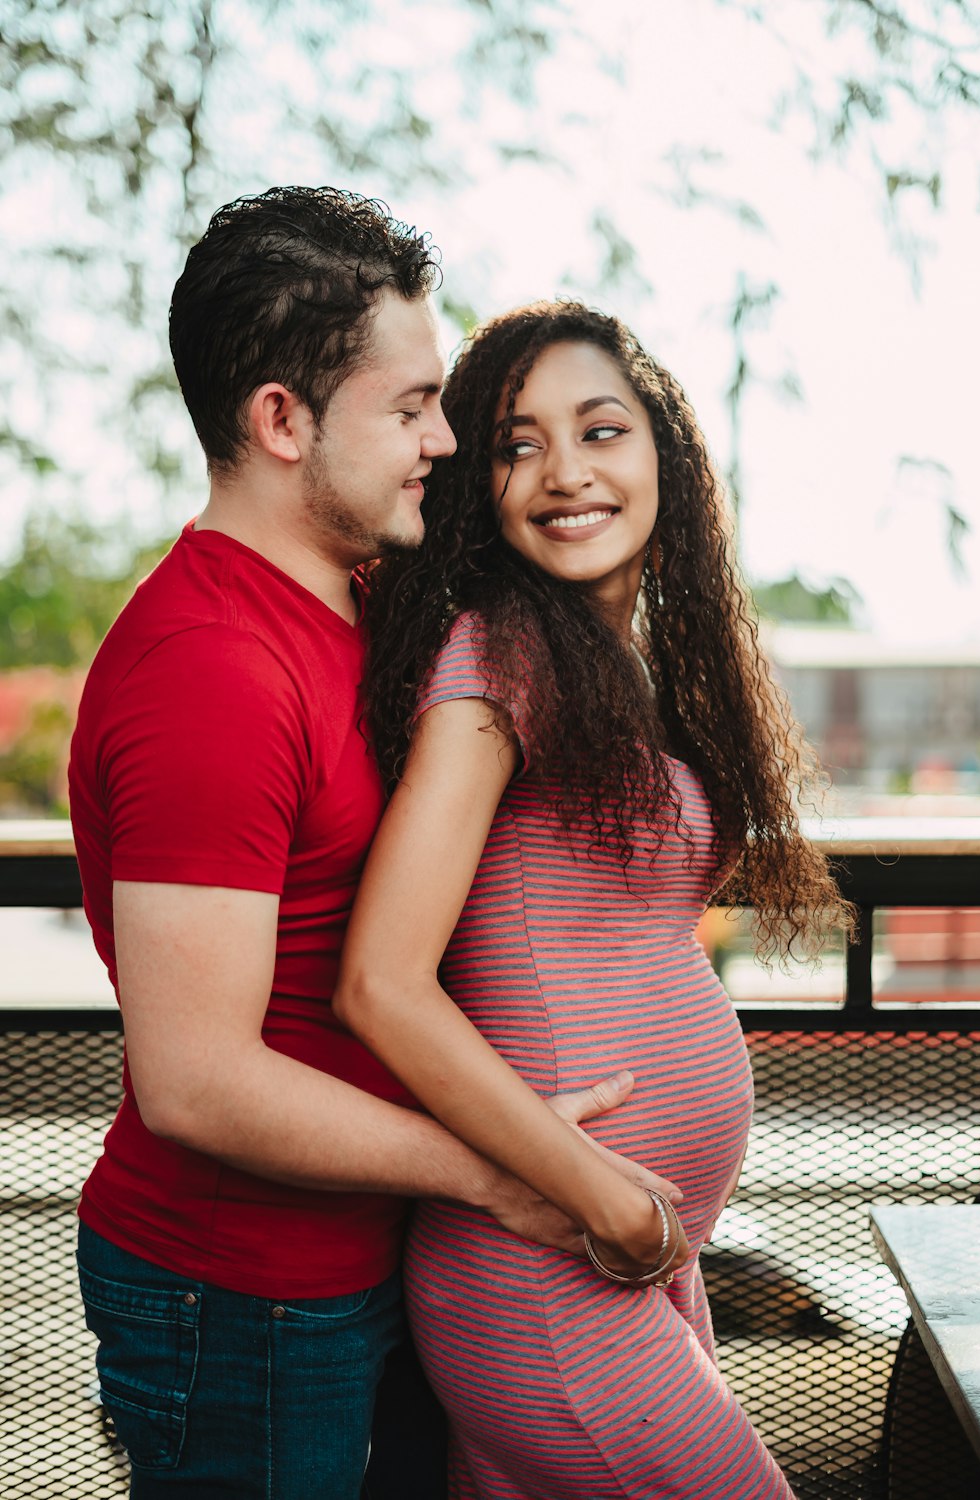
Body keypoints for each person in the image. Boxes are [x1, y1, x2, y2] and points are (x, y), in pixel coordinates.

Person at [68, 194, 685, 1500]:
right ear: (283, 421)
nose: (443, 441)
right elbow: (194, 1080)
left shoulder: (349, 609)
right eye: (410, 408)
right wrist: (505, 1166)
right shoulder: (210, 673)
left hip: (358, 1269)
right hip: (239, 1309)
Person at [335, 301, 852, 1498]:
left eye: (599, 430)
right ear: (481, 486)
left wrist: (631, 1216)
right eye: (516, 444)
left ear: (662, 454)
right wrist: (602, 1197)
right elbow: (380, 982)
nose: (562, 472)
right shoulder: (499, 659)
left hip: (621, 1245)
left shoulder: (609, 668)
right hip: (551, 1257)